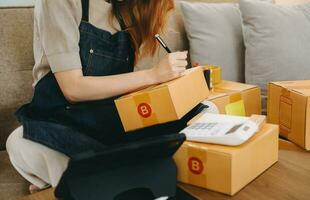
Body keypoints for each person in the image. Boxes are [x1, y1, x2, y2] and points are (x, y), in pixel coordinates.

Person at [6, 0, 206, 194]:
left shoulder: (124, 7)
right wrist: (152, 75)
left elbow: (131, 85)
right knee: (18, 141)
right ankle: (109, 182)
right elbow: (73, 89)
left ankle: (79, 182)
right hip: (62, 122)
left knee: (204, 111)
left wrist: (178, 81)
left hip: (109, 121)